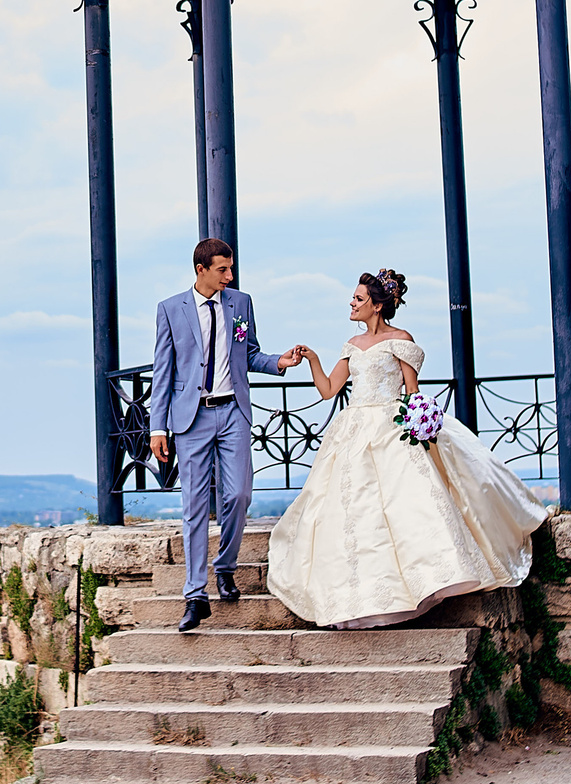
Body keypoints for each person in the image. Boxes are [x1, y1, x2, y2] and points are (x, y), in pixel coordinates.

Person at [267, 268, 547, 630]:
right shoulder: (350, 346)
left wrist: (420, 420)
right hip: (353, 429)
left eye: (358, 299)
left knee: (407, 504)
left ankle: (424, 578)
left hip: (391, 426)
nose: (351, 304)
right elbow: (328, 391)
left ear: (378, 305)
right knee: (354, 509)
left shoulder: (401, 340)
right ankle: (363, 591)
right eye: (353, 298)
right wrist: (314, 360)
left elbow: (412, 393)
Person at [150, 238, 305, 632]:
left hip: (233, 412)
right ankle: (195, 595)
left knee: (239, 494)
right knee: (195, 506)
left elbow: (249, 353)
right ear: (201, 269)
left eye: (231, 268)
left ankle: (225, 567)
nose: (230, 276)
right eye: (222, 269)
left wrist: (278, 362)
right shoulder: (170, 310)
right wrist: (157, 427)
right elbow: (163, 371)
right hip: (191, 420)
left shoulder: (241, 304)